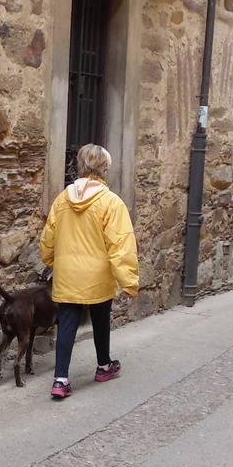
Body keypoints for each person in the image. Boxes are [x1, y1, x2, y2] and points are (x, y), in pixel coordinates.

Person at [40, 143, 139, 401]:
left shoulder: (63, 199)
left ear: (80, 165)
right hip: (97, 275)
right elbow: (121, 244)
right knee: (100, 318)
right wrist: (129, 282)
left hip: (67, 273)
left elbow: (48, 237)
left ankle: (60, 380)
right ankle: (104, 365)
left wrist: (49, 259)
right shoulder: (111, 202)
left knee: (67, 323)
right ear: (104, 168)